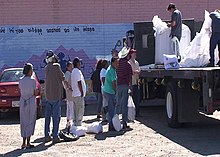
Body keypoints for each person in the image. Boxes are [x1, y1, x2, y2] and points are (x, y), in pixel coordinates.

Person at [44, 50, 65, 144]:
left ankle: (46, 135)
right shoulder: (57, 66)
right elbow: (62, 77)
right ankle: (55, 136)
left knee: (47, 116)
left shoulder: (46, 67)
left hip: (48, 95)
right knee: (56, 117)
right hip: (56, 94)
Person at [19, 63, 39, 149]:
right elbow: (35, 92)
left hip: (23, 100)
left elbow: (21, 90)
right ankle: (28, 142)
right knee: (30, 120)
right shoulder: (32, 81)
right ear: (30, 71)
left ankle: (23, 142)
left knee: (23, 120)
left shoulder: (20, 80)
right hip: (31, 101)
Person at [116, 47, 133, 131]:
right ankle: (124, 123)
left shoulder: (118, 63)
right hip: (125, 84)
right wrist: (130, 85)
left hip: (118, 84)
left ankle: (114, 122)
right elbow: (130, 75)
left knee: (118, 103)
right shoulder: (128, 64)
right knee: (124, 105)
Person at [103, 57, 119, 131]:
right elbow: (113, 83)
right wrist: (116, 92)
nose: (117, 64)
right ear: (112, 63)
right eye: (116, 63)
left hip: (107, 91)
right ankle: (111, 126)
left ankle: (111, 124)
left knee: (110, 109)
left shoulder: (110, 68)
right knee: (111, 110)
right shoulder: (111, 71)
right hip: (110, 92)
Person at [71, 57, 86, 126]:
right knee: (79, 109)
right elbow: (79, 82)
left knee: (76, 110)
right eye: (79, 62)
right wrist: (82, 92)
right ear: (77, 63)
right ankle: (78, 123)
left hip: (75, 94)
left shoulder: (73, 71)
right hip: (78, 94)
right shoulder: (77, 71)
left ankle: (75, 123)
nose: (80, 64)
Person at [128, 49, 141, 117]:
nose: (135, 55)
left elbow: (139, 70)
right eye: (134, 53)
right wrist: (136, 71)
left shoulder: (136, 62)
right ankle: (132, 113)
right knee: (132, 98)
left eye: (135, 53)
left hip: (136, 82)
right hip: (131, 83)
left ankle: (137, 113)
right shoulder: (129, 63)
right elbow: (131, 72)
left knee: (137, 98)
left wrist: (137, 72)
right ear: (131, 54)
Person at [63, 61, 74, 129]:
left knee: (69, 107)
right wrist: (68, 87)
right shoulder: (67, 73)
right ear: (67, 67)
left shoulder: (69, 73)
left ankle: (68, 121)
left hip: (69, 93)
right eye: (70, 66)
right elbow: (65, 81)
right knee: (71, 107)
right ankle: (70, 121)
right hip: (70, 93)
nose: (72, 68)